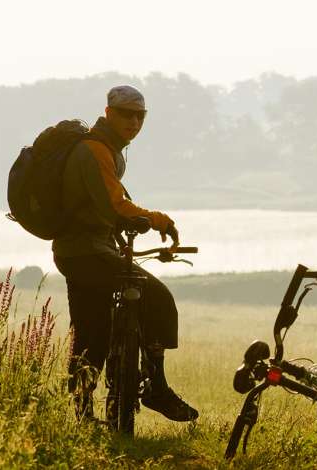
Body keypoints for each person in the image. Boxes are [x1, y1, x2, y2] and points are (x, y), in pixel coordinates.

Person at [53, 85, 198, 422]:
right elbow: (115, 205)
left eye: (140, 115)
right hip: (87, 252)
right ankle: (155, 387)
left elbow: (102, 207)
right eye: (125, 114)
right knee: (158, 299)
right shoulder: (95, 150)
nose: (134, 121)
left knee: (92, 333)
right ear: (108, 114)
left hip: (78, 251)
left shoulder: (105, 148)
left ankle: (83, 414)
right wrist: (159, 220)